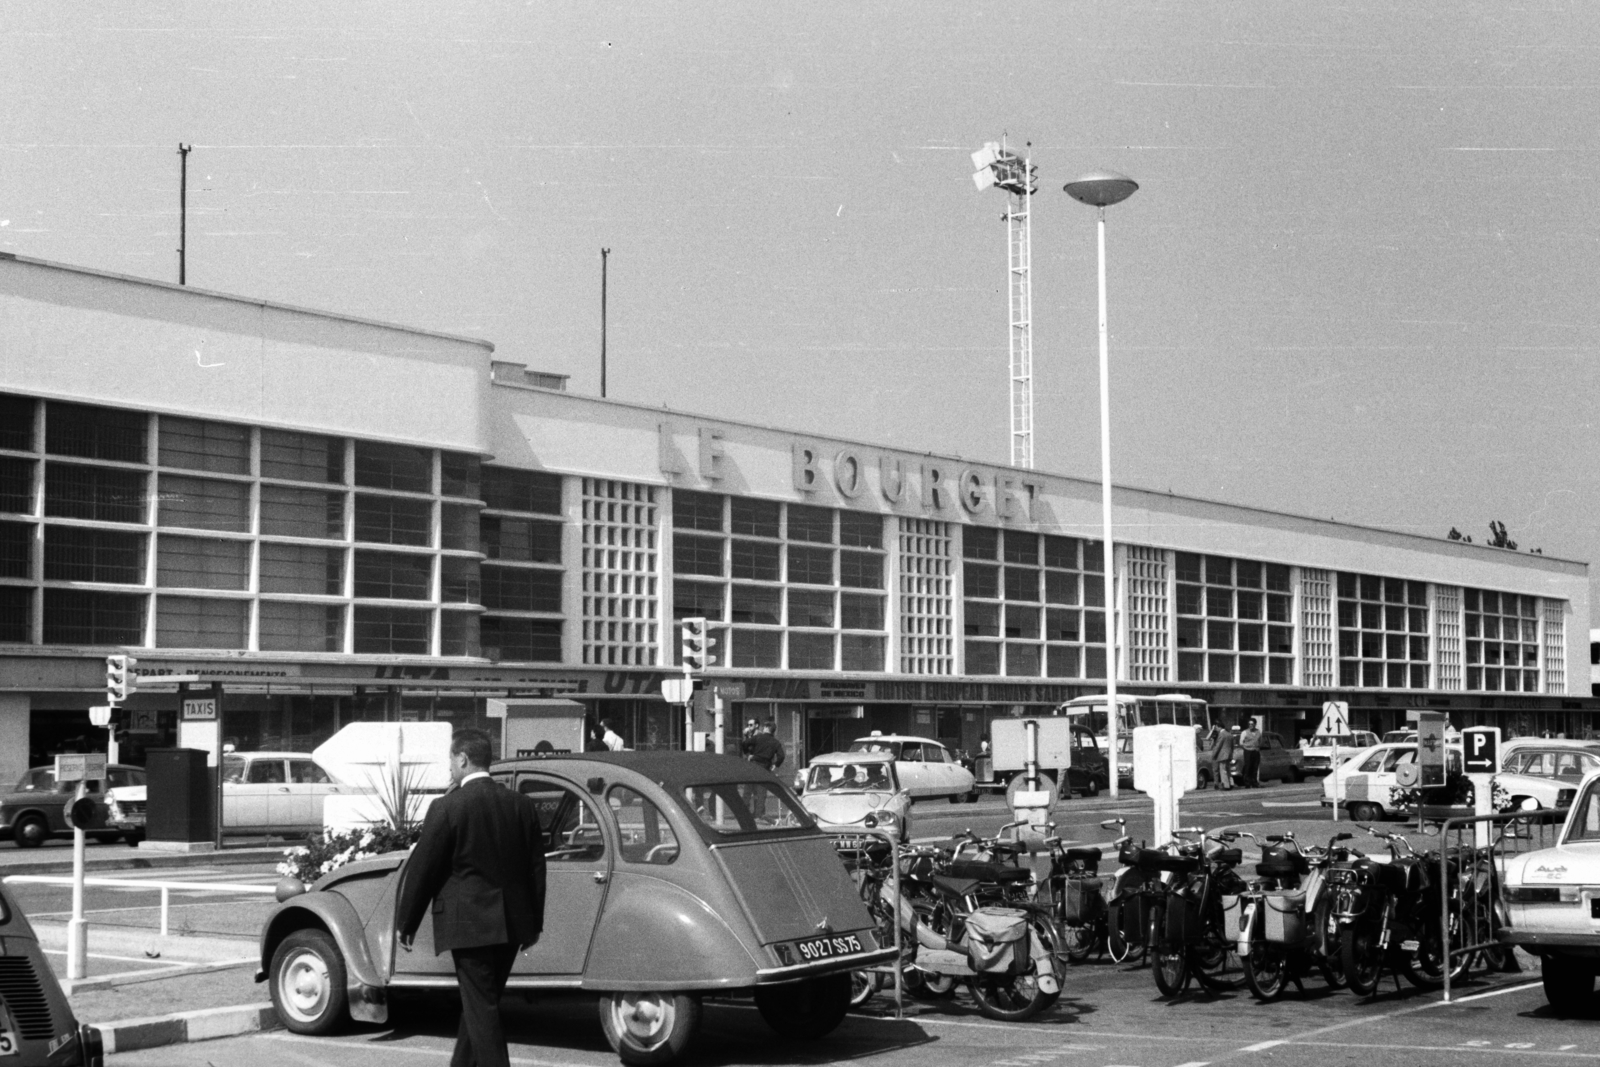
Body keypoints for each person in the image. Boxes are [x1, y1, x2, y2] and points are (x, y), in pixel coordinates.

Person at [398, 729, 547, 1067]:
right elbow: (537, 869)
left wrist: (406, 922)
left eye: (451, 761)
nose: (450, 768)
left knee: (481, 1007)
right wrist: (534, 922)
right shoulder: (521, 805)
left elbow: (424, 869)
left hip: (469, 925)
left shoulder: (447, 807)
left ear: (462, 759)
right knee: (481, 1003)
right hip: (513, 923)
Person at [1239, 721, 1263, 788]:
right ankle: (1247, 783)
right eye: (1249, 724)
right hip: (1248, 751)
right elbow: (1241, 742)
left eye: (1252, 724)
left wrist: (1258, 747)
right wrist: (1246, 747)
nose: (1250, 725)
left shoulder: (1259, 732)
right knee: (1248, 767)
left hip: (1256, 751)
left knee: (1255, 767)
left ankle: (1254, 782)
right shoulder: (1244, 732)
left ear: (1255, 724)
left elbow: (1260, 741)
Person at [1212, 725, 1237, 790]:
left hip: (1222, 755)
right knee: (1228, 770)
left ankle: (1226, 785)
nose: (1216, 729)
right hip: (1228, 755)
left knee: (1223, 770)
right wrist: (1231, 754)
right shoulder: (1229, 734)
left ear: (1219, 727)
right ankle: (1231, 783)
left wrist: (1214, 755)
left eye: (1216, 728)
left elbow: (1218, 746)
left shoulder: (1221, 734)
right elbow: (1232, 746)